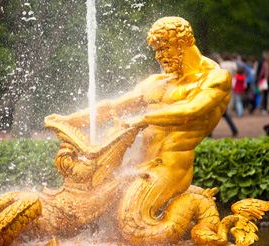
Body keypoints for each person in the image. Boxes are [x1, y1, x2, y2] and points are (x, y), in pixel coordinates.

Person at [45, 17, 232, 215]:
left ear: (183, 43)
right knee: (95, 207)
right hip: (137, 164)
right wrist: (70, 120)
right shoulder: (158, 81)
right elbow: (111, 108)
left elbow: (191, 110)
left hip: (168, 170)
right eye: (156, 51)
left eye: (163, 48)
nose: (158, 57)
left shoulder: (215, 78)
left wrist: (144, 119)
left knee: (129, 219)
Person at [258, 51, 269, 115]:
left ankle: (265, 109)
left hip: (266, 80)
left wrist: (259, 79)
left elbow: (262, 72)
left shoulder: (265, 63)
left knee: (265, 95)